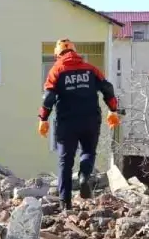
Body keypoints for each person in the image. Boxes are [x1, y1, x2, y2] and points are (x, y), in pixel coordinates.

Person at [37, 39, 121, 209]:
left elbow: (48, 98)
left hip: (66, 122)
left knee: (65, 161)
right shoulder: (90, 69)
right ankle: (84, 175)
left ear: (57, 55)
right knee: (88, 151)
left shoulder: (56, 70)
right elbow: (108, 89)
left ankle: (65, 203)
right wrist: (113, 109)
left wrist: (43, 119)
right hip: (90, 120)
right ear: (74, 53)